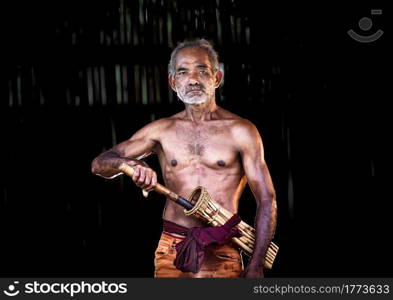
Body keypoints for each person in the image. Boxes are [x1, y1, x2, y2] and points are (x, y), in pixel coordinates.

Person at [91, 39, 277, 278]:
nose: (193, 79)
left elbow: (266, 198)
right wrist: (130, 164)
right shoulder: (162, 131)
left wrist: (257, 262)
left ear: (216, 78)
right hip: (172, 248)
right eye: (183, 72)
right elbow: (100, 163)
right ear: (173, 82)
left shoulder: (241, 131)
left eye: (202, 70)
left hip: (223, 248)